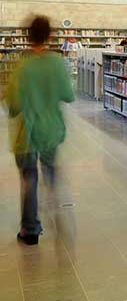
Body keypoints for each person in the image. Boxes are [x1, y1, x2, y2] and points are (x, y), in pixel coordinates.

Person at [5, 15, 75, 245]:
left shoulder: (23, 65)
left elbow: (13, 105)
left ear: (27, 36)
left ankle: (30, 229)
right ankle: (56, 211)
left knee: (29, 177)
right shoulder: (57, 62)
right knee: (50, 170)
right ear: (50, 35)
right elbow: (68, 95)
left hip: (27, 133)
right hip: (51, 130)